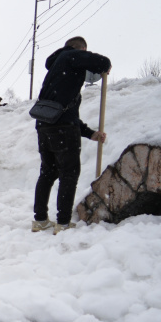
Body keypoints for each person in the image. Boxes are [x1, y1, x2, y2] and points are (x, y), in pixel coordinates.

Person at [32, 36, 111, 234]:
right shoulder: (71, 56)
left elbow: (64, 111)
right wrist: (106, 66)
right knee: (69, 173)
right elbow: (101, 61)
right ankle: (64, 223)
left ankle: (40, 219)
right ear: (82, 49)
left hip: (44, 125)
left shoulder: (57, 70)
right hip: (62, 129)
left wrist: (90, 133)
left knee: (48, 173)